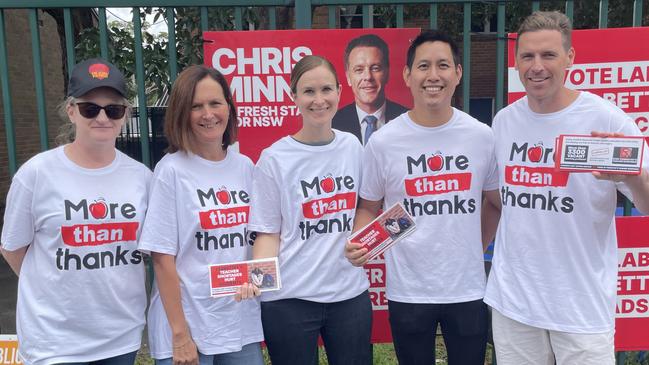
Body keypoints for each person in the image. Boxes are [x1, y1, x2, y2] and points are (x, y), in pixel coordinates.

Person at [482, 11, 649, 365]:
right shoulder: (504, 121)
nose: (537, 66)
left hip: (580, 308)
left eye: (549, 55)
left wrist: (632, 177)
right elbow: (496, 199)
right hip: (514, 305)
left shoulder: (606, 119)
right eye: (527, 56)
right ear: (516, 62)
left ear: (570, 58)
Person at [345, 30, 499, 365]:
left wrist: (476, 243)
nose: (433, 75)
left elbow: (494, 202)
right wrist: (360, 241)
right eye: (423, 66)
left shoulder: (481, 136)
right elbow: (369, 206)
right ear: (407, 75)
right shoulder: (384, 142)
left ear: (457, 73)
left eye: (443, 65)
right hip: (409, 290)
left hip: (468, 289)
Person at [0, 58, 151, 365]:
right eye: (90, 108)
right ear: (71, 111)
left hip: (120, 336)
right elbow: (13, 248)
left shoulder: (141, 177)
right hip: (54, 341)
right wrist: (54, 287)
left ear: (125, 115)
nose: (102, 117)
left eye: (114, 109)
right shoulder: (37, 174)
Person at [242, 55, 372, 365]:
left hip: (348, 295)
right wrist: (257, 280)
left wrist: (360, 239)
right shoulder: (274, 158)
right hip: (289, 301)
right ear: (294, 97)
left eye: (326, 89)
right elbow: (268, 233)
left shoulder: (352, 146)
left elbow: (364, 208)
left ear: (340, 92)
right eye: (308, 91)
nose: (319, 100)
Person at [137, 65, 263, 365]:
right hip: (188, 325)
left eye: (215, 103)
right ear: (182, 113)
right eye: (196, 106)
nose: (208, 114)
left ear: (229, 108)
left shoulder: (245, 166)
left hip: (239, 323)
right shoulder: (171, 170)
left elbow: (257, 238)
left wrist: (257, 277)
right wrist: (180, 335)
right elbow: (162, 258)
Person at [332, 34, 407, 145]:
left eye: (375, 68)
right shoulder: (332, 125)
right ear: (348, 77)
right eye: (359, 69)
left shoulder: (406, 120)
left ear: (387, 73)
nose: (368, 77)